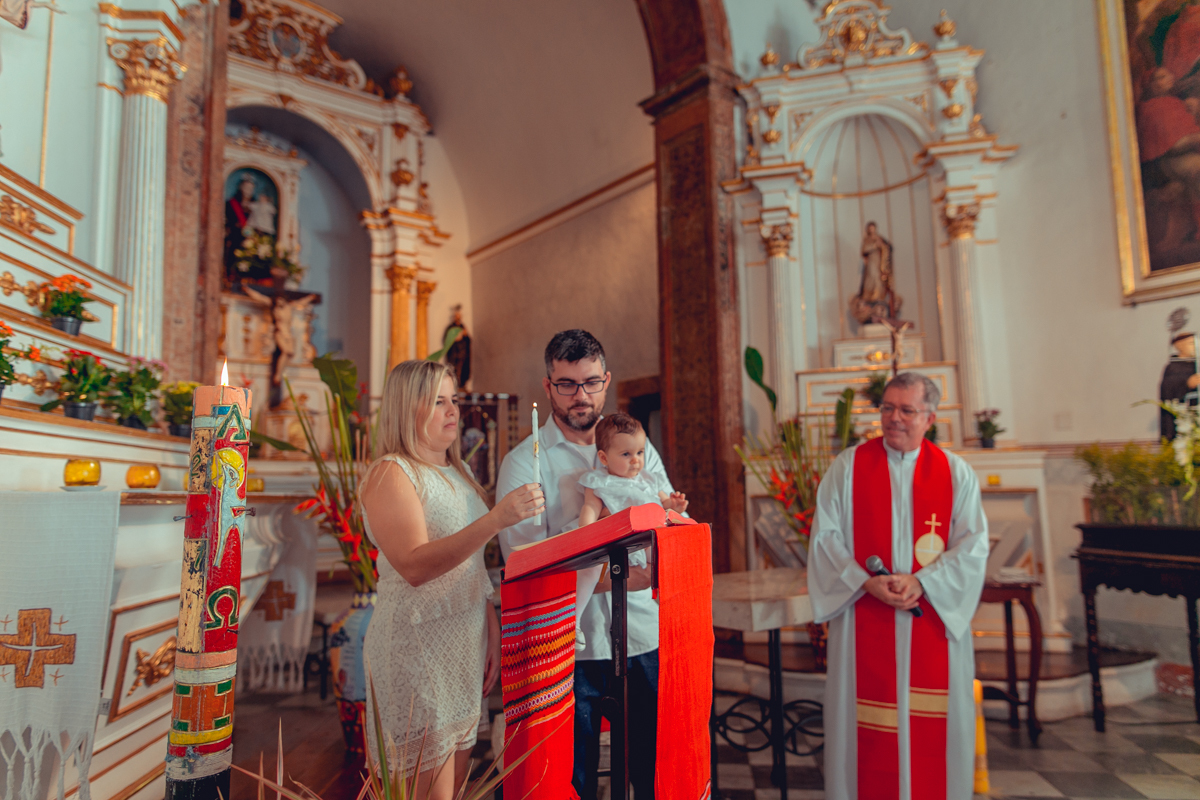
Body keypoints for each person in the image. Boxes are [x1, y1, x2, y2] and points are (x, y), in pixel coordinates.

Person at [497, 330, 677, 800]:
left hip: (642, 635)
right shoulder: (523, 464)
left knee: (653, 771)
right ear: (548, 384)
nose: (581, 396)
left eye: (591, 383)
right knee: (572, 778)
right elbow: (528, 565)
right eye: (567, 384)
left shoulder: (638, 449)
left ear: (606, 380)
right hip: (570, 647)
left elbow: (662, 521)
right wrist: (634, 577)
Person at [359, 360, 543, 800]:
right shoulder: (392, 473)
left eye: (454, 400)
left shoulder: (459, 473)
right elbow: (415, 565)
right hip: (416, 647)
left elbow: (472, 565)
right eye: (438, 401)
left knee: (456, 787)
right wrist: (498, 518)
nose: (453, 411)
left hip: (461, 643)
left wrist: (491, 626)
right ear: (407, 408)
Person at [807, 372, 988, 800]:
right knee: (866, 731)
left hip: (931, 622)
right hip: (864, 616)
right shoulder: (849, 467)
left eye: (907, 410)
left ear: (930, 416)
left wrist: (923, 582)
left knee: (932, 736)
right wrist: (864, 582)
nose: (894, 419)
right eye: (887, 408)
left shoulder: (954, 473)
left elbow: (973, 545)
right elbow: (825, 537)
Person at [572, 412, 687, 642]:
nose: (636, 460)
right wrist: (586, 534)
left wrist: (674, 505)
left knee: (671, 562)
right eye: (626, 454)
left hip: (646, 539)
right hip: (615, 541)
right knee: (589, 570)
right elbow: (590, 509)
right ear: (604, 458)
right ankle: (573, 620)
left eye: (640, 453)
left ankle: (676, 613)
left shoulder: (648, 479)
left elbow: (663, 503)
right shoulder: (599, 481)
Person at [1160, 331, 1200, 440]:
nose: (1196, 346)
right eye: (1191, 343)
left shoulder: (1196, 365)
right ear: (1180, 346)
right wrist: (1187, 385)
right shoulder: (1173, 368)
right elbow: (1167, 392)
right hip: (1181, 421)